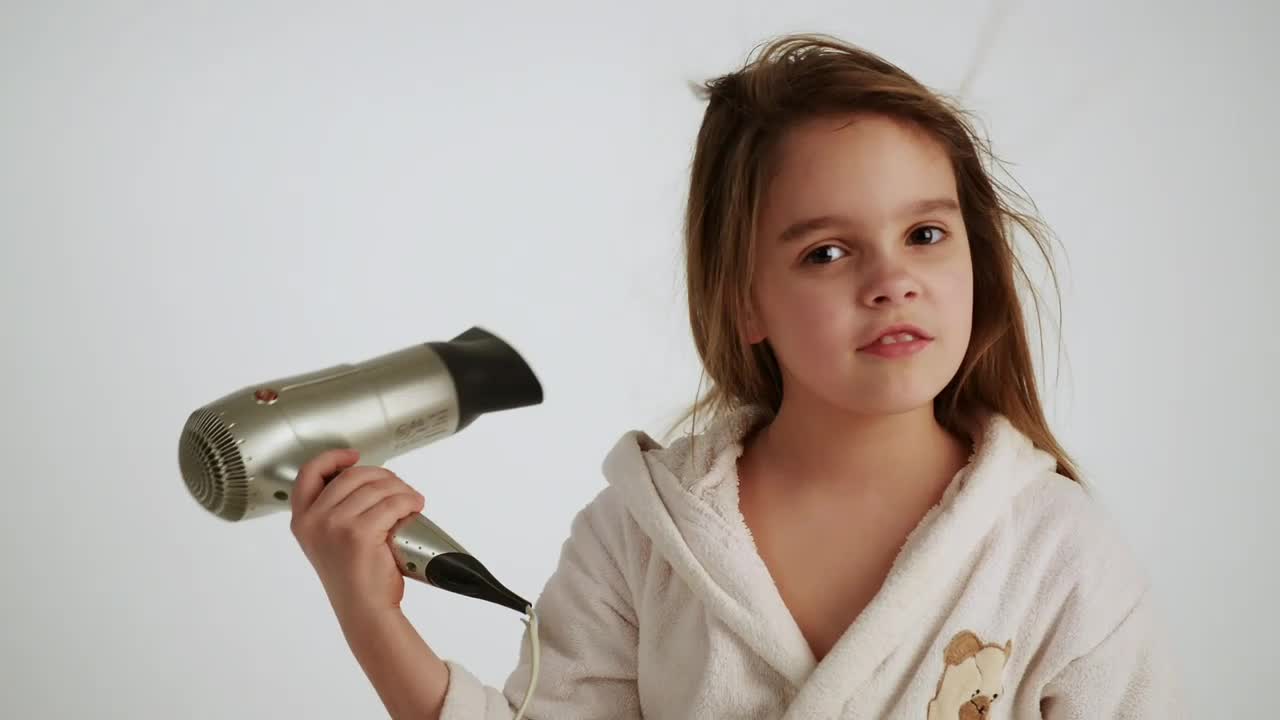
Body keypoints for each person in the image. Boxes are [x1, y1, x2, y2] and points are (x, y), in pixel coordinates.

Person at [288, 33, 1185, 719]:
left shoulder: (1057, 552)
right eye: (826, 251)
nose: (892, 281)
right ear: (743, 302)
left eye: (925, 234)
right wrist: (372, 617)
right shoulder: (642, 537)